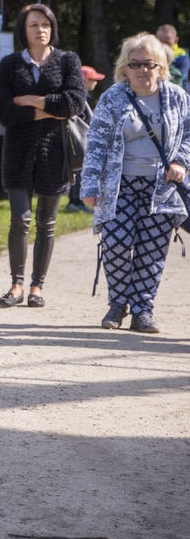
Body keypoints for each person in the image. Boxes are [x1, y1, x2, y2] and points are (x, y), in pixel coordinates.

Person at [79, 32, 190, 334]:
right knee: (116, 243)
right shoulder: (112, 98)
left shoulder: (178, 97)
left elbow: (188, 135)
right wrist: (89, 186)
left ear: (161, 67)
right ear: (124, 68)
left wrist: (181, 161)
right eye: (135, 64)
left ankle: (142, 310)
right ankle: (118, 303)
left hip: (162, 187)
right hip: (119, 185)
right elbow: (96, 143)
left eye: (149, 64)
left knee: (151, 252)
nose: (142, 69)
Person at [0, 4, 87, 307]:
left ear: (52, 28)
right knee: (20, 220)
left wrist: (30, 100)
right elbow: (3, 110)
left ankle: (37, 287)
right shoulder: (9, 64)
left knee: (47, 223)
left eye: (45, 24)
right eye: (34, 24)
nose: (40, 30)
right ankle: (16, 285)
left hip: (55, 153)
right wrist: (47, 110)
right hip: (17, 151)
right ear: (24, 29)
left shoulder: (68, 61)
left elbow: (74, 103)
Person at [66, 65, 106, 213]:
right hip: (82, 138)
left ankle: (75, 201)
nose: (96, 83)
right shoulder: (83, 97)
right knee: (81, 170)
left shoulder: (77, 95)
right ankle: (76, 202)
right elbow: (88, 120)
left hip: (79, 138)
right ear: (86, 81)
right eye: (93, 80)